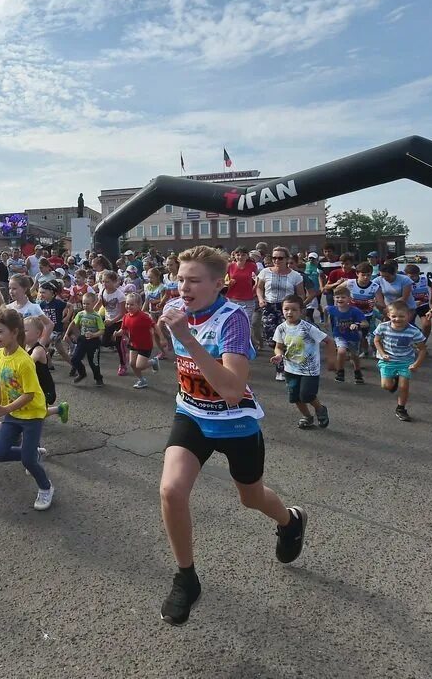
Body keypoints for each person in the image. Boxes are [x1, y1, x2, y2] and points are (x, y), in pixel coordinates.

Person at [157, 246, 306, 626]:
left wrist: (187, 340)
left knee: (250, 498)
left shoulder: (233, 320)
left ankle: (290, 521)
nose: (184, 287)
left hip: (235, 421)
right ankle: (186, 578)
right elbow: (173, 349)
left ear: (218, 283)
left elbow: (233, 389)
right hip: (191, 413)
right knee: (171, 490)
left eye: (193, 280)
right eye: (180, 279)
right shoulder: (175, 308)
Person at [0, 309, 56, 511]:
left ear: (15, 332)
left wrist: (5, 408)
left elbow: (28, 394)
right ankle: (33, 453)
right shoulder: (0, 355)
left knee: (27, 460)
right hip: (12, 413)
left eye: (0, 332)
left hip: (32, 415)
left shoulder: (25, 361)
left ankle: (46, 488)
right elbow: (3, 382)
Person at [271, 295, 331, 429]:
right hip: (290, 368)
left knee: (306, 395)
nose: (289, 312)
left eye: (293, 309)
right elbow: (279, 346)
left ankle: (320, 409)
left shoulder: (308, 328)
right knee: (295, 397)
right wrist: (279, 355)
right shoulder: (281, 328)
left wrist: (332, 359)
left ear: (301, 311)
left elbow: (328, 340)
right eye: (286, 309)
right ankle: (307, 417)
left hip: (309, 369)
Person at [373, 301, 428, 422]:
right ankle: (395, 379)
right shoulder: (383, 327)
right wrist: (382, 354)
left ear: (409, 316)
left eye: (402, 316)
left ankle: (401, 408)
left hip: (405, 361)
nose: (397, 319)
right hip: (388, 360)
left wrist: (416, 364)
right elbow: (376, 340)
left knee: (404, 386)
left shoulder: (413, 331)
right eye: (394, 316)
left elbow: (423, 349)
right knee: (386, 386)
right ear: (388, 315)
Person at [256, 247, 305, 380]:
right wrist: (261, 299)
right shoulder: (265, 272)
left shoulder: (295, 275)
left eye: (280, 258)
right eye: (274, 258)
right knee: (271, 339)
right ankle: (283, 359)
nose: (277, 260)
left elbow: (300, 294)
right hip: (269, 306)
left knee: (286, 337)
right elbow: (259, 288)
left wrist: (298, 307)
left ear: (287, 259)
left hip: (286, 308)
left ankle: (282, 369)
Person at [327, 286, 366, 384]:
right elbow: (325, 310)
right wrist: (326, 322)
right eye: (337, 297)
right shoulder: (332, 309)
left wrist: (356, 324)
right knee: (341, 351)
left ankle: (357, 372)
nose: (340, 299)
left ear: (349, 299)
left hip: (353, 337)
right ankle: (340, 372)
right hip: (339, 335)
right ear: (334, 298)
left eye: (343, 297)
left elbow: (365, 323)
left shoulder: (355, 311)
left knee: (354, 356)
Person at [121, 293, 158, 389]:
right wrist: (117, 333)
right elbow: (124, 329)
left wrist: (161, 338)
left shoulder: (143, 316)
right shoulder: (126, 316)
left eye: (131, 304)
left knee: (140, 365)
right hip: (133, 343)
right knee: (132, 364)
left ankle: (153, 361)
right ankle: (142, 380)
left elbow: (154, 325)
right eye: (127, 304)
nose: (128, 306)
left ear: (139, 305)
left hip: (145, 345)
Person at [67, 290, 105, 385]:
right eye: (83, 303)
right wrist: (75, 334)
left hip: (94, 341)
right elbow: (75, 324)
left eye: (88, 304)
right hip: (82, 340)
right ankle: (82, 373)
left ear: (93, 303)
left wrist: (94, 335)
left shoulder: (97, 316)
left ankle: (98, 378)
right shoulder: (80, 314)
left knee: (94, 362)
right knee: (74, 359)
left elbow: (102, 330)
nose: (85, 305)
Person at [226, 247, 261, 349]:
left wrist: (255, 285)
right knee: (233, 323)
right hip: (232, 298)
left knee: (246, 323)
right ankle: (237, 343)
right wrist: (229, 283)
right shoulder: (230, 266)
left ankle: (249, 344)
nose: (240, 257)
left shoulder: (252, 266)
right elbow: (224, 281)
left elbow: (258, 279)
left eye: (242, 255)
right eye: (238, 254)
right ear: (234, 256)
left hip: (248, 299)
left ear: (247, 256)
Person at [98, 270, 129, 376]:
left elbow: (122, 313)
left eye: (107, 282)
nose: (104, 284)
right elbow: (99, 303)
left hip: (119, 322)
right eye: (103, 282)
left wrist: (112, 321)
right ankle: (121, 343)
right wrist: (92, 313)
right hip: (108, 320)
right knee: (104, 342)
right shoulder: (102, 291)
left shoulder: (120, 295)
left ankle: (123, 365)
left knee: (119, 346)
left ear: (115, 282)